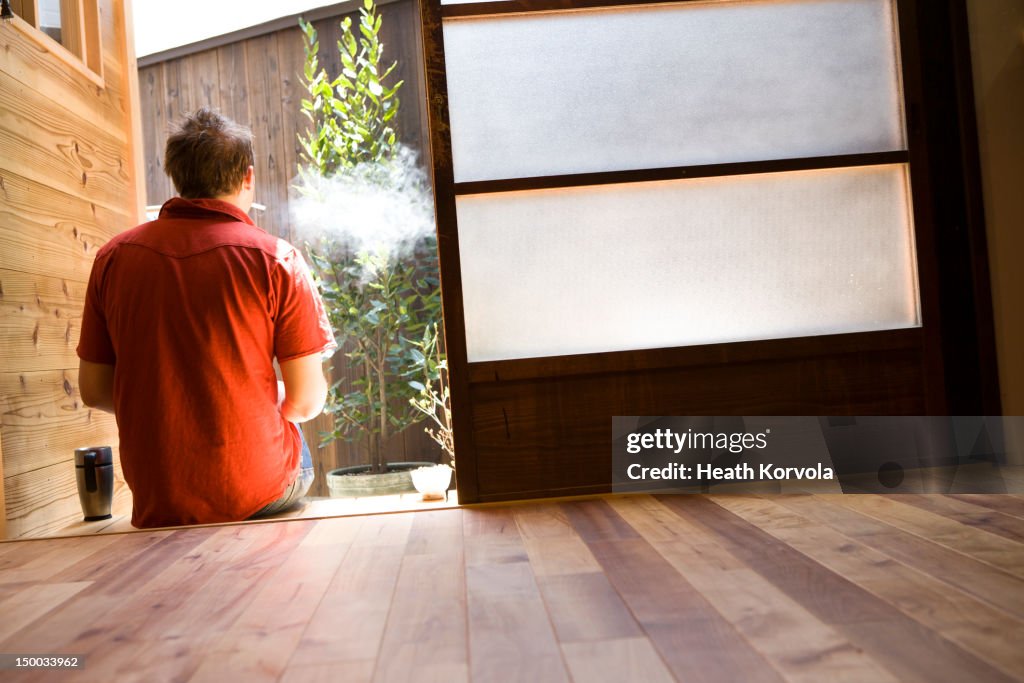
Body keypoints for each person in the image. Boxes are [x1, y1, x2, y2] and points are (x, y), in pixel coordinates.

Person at [76, 107, 337, 528]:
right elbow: (305, 403)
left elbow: (95, 390)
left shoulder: (113, 258)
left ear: (177, 177)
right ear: (247, 176)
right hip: (255, 490)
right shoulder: (275, 259)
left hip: (160, 496)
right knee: (288, 428)